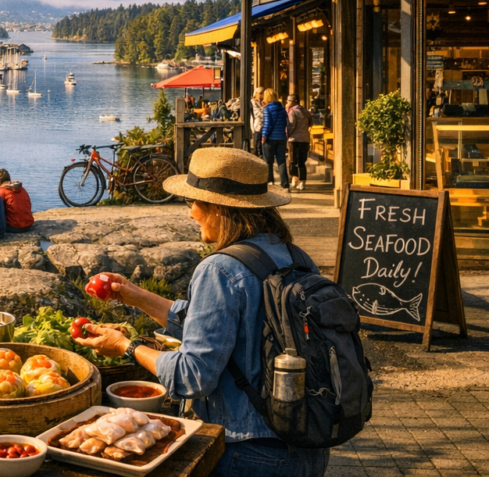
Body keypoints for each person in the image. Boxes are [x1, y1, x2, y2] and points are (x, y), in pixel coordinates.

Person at [72, 147, 327, 476]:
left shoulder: (220, 269)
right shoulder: (297, 256)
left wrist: (127, 347)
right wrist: (136, 296)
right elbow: (215, 328)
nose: (191, 213)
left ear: (219, 209)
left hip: (248, 453)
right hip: (306, 446)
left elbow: (192, 377)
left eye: (194, 202)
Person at [260, 88, 289, 189]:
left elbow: (267, 124)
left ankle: (270, 181)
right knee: (281, 161)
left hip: (270, 138)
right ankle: (285, 184)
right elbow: (286, 123)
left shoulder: (267, 109)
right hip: (281, 137)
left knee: (268, 161)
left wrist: (263, 136)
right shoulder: (282, 109)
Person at [285, 94, 311, 192]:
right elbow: (310, 123)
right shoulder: (305, 111)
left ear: (292, 101)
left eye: (288, 101)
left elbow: (290, 126)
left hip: (294, 140)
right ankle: (303, 181)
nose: (286, 103)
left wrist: (287, 136)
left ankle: (295, 179)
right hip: (305, 139)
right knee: (302, 162)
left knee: (293, 161)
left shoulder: (292, 112)